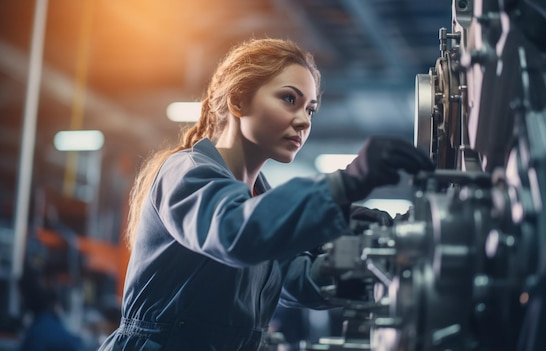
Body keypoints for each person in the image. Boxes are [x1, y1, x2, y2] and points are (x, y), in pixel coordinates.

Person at [98, 37, 434, 350]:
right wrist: (343, 185)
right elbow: (235, 230)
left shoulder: (259, 204)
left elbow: (294, 278)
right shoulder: (186, 172)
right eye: (290, 99)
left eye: (311, 109)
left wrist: (376, 252)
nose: (303, 120)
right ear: (238, 100)